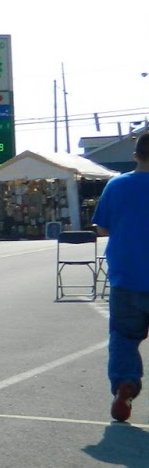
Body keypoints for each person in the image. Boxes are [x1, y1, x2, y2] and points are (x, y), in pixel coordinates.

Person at [90, 131, 149, 422]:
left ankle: (125, 384)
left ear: (135, 155)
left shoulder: (117, 185)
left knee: (124, 338)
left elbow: (103, 228)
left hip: (127, 277)